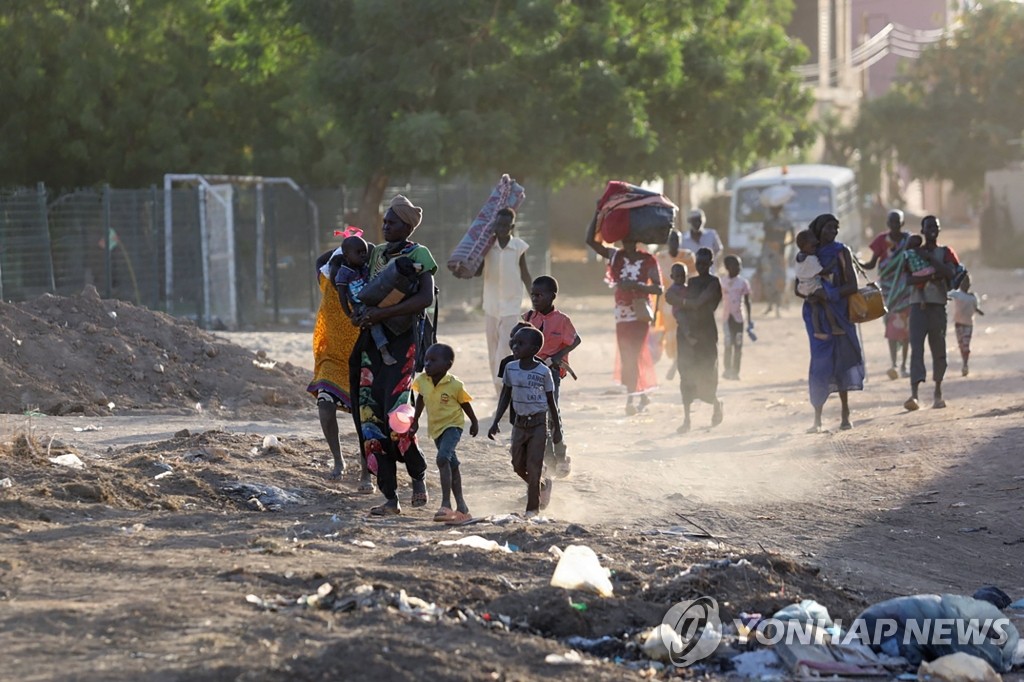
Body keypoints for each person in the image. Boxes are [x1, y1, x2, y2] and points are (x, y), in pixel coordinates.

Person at [349, 195, 437, 516]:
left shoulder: (419, 254)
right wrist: (362, 314)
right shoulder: (375, 255)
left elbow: (425, 298)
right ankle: (390, 497)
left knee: (398, 417)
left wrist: (381, 315)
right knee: (370, 419)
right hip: (372, 345)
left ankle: (418, 476)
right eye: (384, 222)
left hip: (403, 344)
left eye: (392, 222)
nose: (386, 226)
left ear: (408, 225)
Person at [585, 220, 663, 415]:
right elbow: (591, 242)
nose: (627, 243)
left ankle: (631, 398)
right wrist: (598, 213)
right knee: (627, 353)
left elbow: (658, 287)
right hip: (622, 313)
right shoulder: (615, 256)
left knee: (634, 353)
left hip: (640, 311)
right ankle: (641, 393)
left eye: (630, 239)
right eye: (624, 239)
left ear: (636, 240)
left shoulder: (648, 260)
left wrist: (637, 286)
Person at [797, 214, 864, 433]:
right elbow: (797, 286)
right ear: (818, 229)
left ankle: (845, 413)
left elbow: (852, 285)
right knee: (820, 363)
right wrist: (813, 295)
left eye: (836, 228)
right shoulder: (807, 254)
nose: (833, 232)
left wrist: (830, 294)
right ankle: (817, 418)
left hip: (840, 313)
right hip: (817, 316)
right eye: (828, 228)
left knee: (842, 362)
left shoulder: (841, 251)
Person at [487, 326, 562, 518]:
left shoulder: (543, 372)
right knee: (517, 465)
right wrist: (496, 421)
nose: (515, 346)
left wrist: (557, 429)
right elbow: (505, 395)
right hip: (519, 424)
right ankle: (541, 485)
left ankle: (532, 509)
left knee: (534, 465)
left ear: (535, 348)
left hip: (538, 424)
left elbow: (551, 401)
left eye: (521, 343)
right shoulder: (510, 368)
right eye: (514, 342)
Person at [307, 242, 363, 480]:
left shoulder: (364, 286)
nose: (339, 273)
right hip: (332, 359)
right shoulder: (327, 283)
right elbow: (320, 261)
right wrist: (343, 246)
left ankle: (366, 470)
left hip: (362, 359)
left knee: (364, 419)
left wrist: (355, 249)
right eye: (336, 267)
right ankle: (338, 461)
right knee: (325, 406)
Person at [410, 343, 479, 525]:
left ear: (447, 365)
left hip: (453, 426)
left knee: (442, 459)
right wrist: (415, 420)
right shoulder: (423, 381)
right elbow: (421, 399)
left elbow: (465, 403)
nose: (427, 364)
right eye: (426, 360)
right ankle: (462, 507)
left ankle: (445, 504)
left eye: (433, 360)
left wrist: (474, 421)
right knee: (452, 464)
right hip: (436, 429)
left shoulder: (455, 384)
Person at [522, 275, 581, 478]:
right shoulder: (529, 318)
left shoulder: (562, 321)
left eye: (540, 295)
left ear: (552, 296)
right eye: (533, 295)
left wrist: (556, 357)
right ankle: (548, 459)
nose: (535, 299)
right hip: (530, 373)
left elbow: (576, 339)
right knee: (537, 416)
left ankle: (561, 455)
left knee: (552, 414)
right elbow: (518, 341)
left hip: (551, 373)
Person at [903, 215, 960, 411]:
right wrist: (934, 275)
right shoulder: (911, 253)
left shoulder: (944, 252)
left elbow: (951, 273)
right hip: (918, 306)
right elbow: (907, 279)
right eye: (928, 227)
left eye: (935, 226)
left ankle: (938, 391)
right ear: (922, 230)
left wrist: (928, 261)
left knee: (938, 350)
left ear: (939, 229)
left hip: (937, 306)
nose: (932, 230)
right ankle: (914, 394)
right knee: (916, 350)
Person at [665, 248, 722, 433]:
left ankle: (715, 403)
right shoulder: (692, 282)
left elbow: (697, 302)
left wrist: (679, 302)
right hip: (687, 334)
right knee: (686, 374)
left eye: (705, 263)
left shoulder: (714, 283)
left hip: (705, 334)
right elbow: (672, 296)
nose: (702, 266)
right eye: (699, 263)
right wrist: (678, 301)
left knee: (707, 373)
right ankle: (687, 419)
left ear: (711, 263)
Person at [480, 207, 532, 395]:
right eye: (498, 224)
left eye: (505, 225)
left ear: (512, 226)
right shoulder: (487, 247)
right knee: (492, 348)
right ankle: (498, 390)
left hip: (511, 305)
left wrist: (535, 298)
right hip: (491, 306)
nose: (501, 228)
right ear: (494, 225)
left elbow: (525, 273)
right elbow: (477, 271)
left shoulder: (518, 247)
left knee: (505, 347)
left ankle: (504, 387)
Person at [859, 209, 912, 379]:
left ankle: (904, 364)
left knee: (906, 329)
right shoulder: (881, 240)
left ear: (902, 223)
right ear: (887, 224)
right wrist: (855, 261)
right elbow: (871, 264)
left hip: (905, 290)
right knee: (892, 326)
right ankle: (894, 364)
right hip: (888, 291)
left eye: (898, 222)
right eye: (892, 222)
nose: (895, 226)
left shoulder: (909, 240)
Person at [333, 235, 397, 366]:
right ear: (346, 255)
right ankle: (384, 350)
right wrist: (349, 313)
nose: (363, 255)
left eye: (364, 252)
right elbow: (342, 295)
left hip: (374, 299)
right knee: (373, 322)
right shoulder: (344, 273)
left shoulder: (364, 267)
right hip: (360, 305)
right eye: (358, 252)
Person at [794, 229, 845, 341]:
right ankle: (834, 326)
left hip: (802, 287)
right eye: (812, 245)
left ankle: (817, 331)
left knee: (815, 308)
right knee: (827, 303)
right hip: (813, 286)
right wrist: (833, 262)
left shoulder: (799, 257)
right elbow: (823, 272)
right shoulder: (811, 259)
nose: (815, 247)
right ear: (804, 246)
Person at [720, 254, 753, 380]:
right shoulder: (722, 282)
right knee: (728, 344)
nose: (739, 268)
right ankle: (727, 370)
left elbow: (747, 301)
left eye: (740, 265)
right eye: (736, 265)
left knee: (738, 345)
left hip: (739, 318)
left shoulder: (743, 283)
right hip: (726, 318)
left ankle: (736, 371)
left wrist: (749, 319)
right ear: (728, 267)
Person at [757, 204, 794, 317]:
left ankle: (779, 306)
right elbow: (765, 237)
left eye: (776, 209)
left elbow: (792, 237)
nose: (774, 212)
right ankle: (770, 305)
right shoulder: (767, 222)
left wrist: (785, 245)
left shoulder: (786, 222)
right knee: (768, 279)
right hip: (768, 253)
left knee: (780, 279)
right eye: (772, 210)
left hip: (780, 253)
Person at [948, 274, 984, 377]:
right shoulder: (957, 294)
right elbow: (947, 295)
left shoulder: (973, 297)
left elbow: (975, 307)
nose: (965, 285)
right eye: (964, 283)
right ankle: (964, 363)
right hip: (958, 324)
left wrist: (979, 311)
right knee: (961, 345)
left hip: (968, 324)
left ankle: (965, 364)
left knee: (965, 345)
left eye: (967, 283)